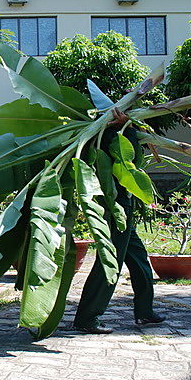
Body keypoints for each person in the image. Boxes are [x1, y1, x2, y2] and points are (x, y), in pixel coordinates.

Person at [72, 110, 165, 334]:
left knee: (139, 259)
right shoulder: (105, 136)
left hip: (124, 207)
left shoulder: (115, 133)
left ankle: (144, 311)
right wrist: (129, 130)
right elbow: (128, 159)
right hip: (115, 207)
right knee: (109, 261)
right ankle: (88, 317)